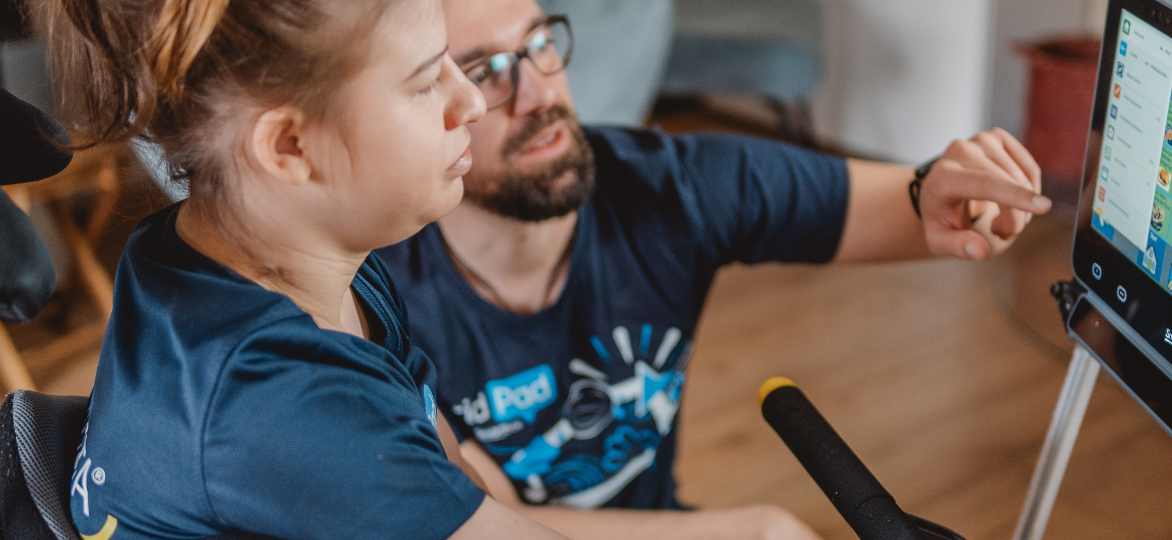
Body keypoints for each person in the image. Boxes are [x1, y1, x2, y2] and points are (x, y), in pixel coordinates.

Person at [376, 0, 1052, 537]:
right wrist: (753, 530)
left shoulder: (663, 186)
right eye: (487, 71)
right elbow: (486, 524)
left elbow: (910, 203)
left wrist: (950, 190)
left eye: (539, 44)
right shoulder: (382, 292)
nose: (538, 94)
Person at [49, 0, 569, 538]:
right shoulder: (287, 407)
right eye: (424, 81)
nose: (472, 101)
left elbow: (455, 476)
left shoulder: (232, 252)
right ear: (289, 145)